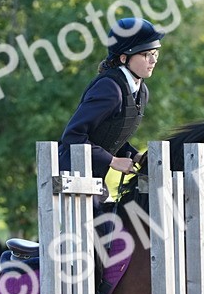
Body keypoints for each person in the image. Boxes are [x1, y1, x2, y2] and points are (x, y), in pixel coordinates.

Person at [57, 17, 163, 179]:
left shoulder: (141, 91)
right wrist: (113, 160)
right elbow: (73, 136)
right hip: (70, 180)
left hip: (95, 179)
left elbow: (108, 135)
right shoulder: (109, 89)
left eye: (155, 53)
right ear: (123, 58)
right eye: (145, 54)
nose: (153, 60)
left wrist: (135, 156)